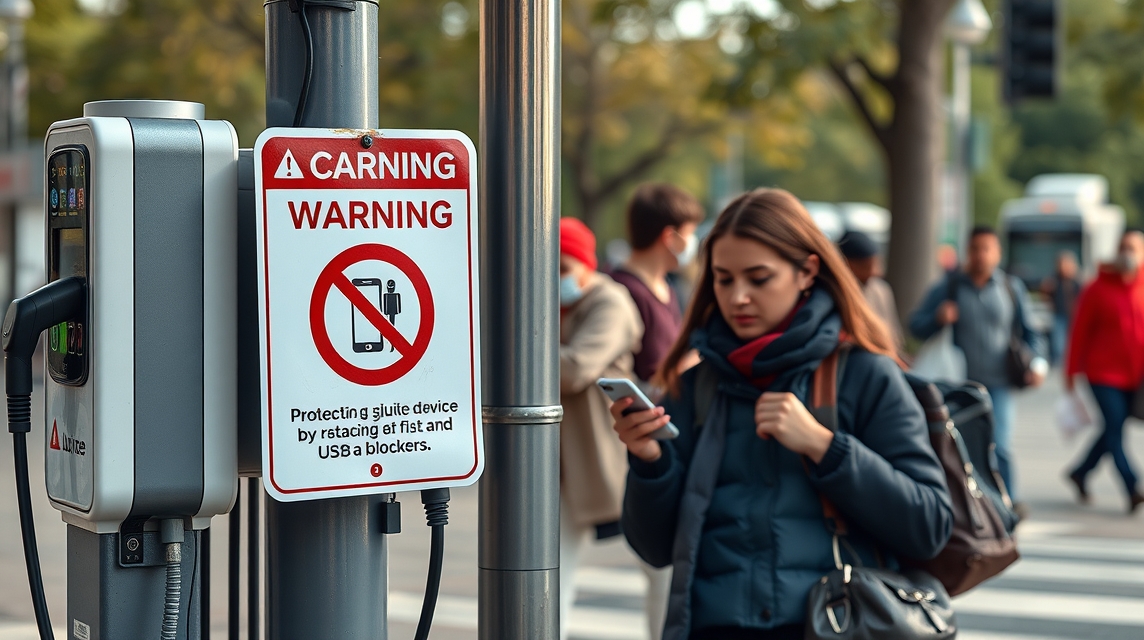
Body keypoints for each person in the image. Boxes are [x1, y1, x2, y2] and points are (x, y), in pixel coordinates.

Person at [612, 189, 953, 640]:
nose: (738, 297)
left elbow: (929, 526)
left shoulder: (864, 375)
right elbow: (655, 549)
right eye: (723, 279)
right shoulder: (695, 386)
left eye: (759, 278)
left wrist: (825, 447)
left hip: (831, 625)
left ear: (807, 271)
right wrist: (649, 462)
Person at [609, 183, 703, 639]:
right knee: (663, 578)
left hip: (676, 441)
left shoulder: (669, 289)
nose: (693, 242)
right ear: (671, 236)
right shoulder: (623, 291)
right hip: (645, 445)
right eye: (691, 231)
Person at [909, 225, 1047, 514]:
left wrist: (1036, 363)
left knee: (1000, 444)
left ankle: (1007, 504)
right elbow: (916, 325)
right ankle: (974, 505)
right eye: (975, 249)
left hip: (999, 383)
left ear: (997, 253)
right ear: (967, 252)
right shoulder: (949, 287)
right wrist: (938, 318)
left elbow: (1031, 334)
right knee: (963, 446)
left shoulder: (1010, 288)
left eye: (987, 249)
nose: (981, 255)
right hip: (960, 385)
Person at [557, 216, 644, 640]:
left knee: (659, 567)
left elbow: (574, 370)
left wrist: (510, 351)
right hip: (555, 458)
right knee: (551, 573)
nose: (555, 278)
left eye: (563, 268)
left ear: (587, 265)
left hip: (604, 453)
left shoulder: (611, 302)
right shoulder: (548, 302)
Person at [1064, 231, 1144, 513]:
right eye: (1123, 247)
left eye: (1133, 248)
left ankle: (1081, 471)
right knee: (1114, 426)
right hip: (1103, 374)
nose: (1128, 254)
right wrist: (1070, 372)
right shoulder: (1096, 288)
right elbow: (1079, 332)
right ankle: (1132, 485)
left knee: (1113, 428)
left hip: (1135, 376)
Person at [837, 230, 905, 356]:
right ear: (847, 263)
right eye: (867, 266)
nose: (875, 272)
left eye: (876, 264)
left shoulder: (880, 290)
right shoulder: (835, 293)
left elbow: (894, 336)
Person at [1041, 251, 1081, 366]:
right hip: (1059, 315)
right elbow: (1045, 296)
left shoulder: (1076, 281)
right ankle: (1058, 364)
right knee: (1058, 344)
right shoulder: (1054, 280)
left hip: (1074, 316)